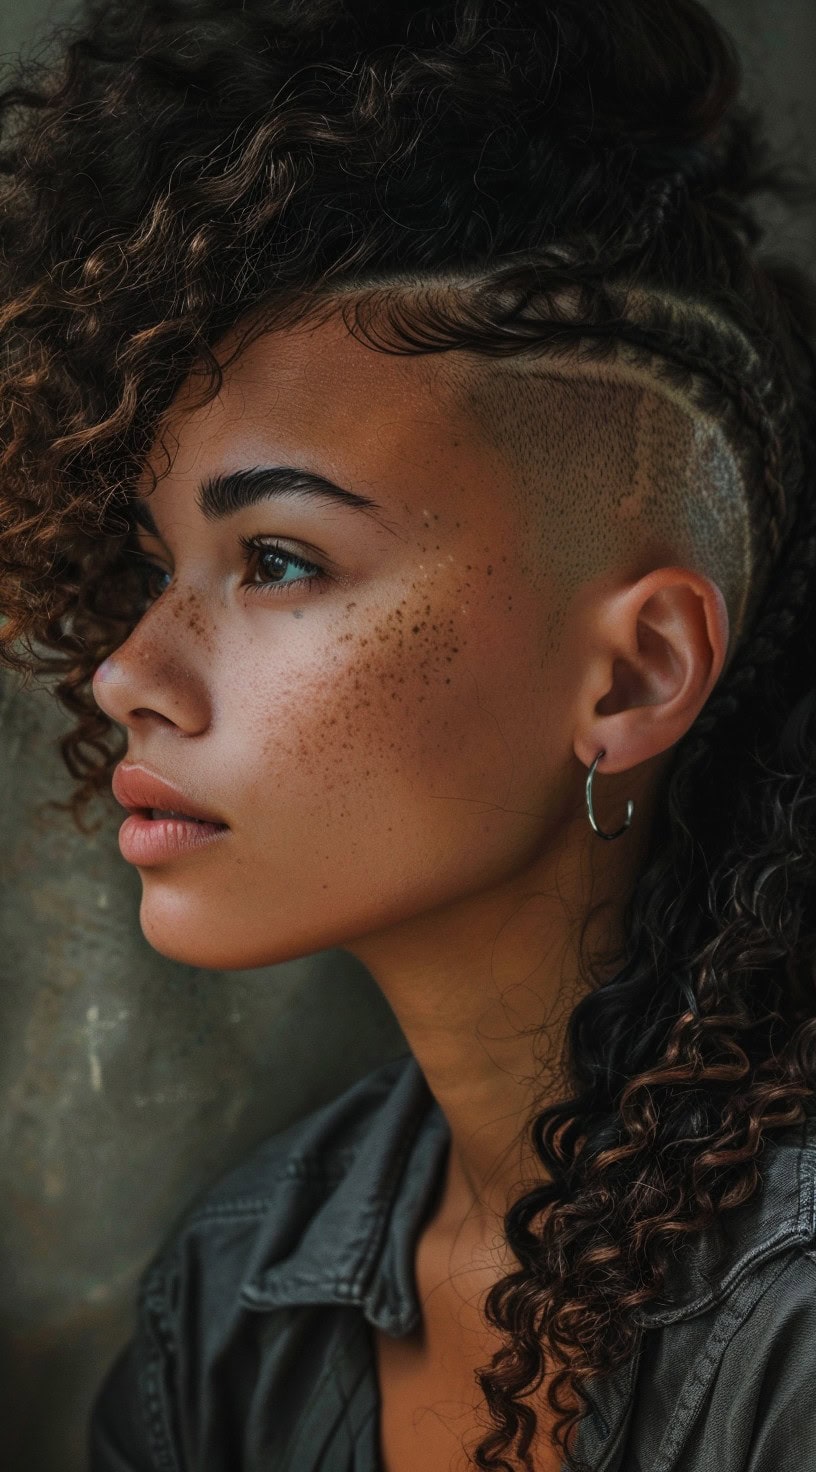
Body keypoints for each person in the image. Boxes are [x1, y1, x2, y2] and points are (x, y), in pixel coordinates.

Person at [1, 1, 815, 1469]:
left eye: (280, 560)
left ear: (633, 677)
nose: (129, 671)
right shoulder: (235, 1303)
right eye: (154, 561)